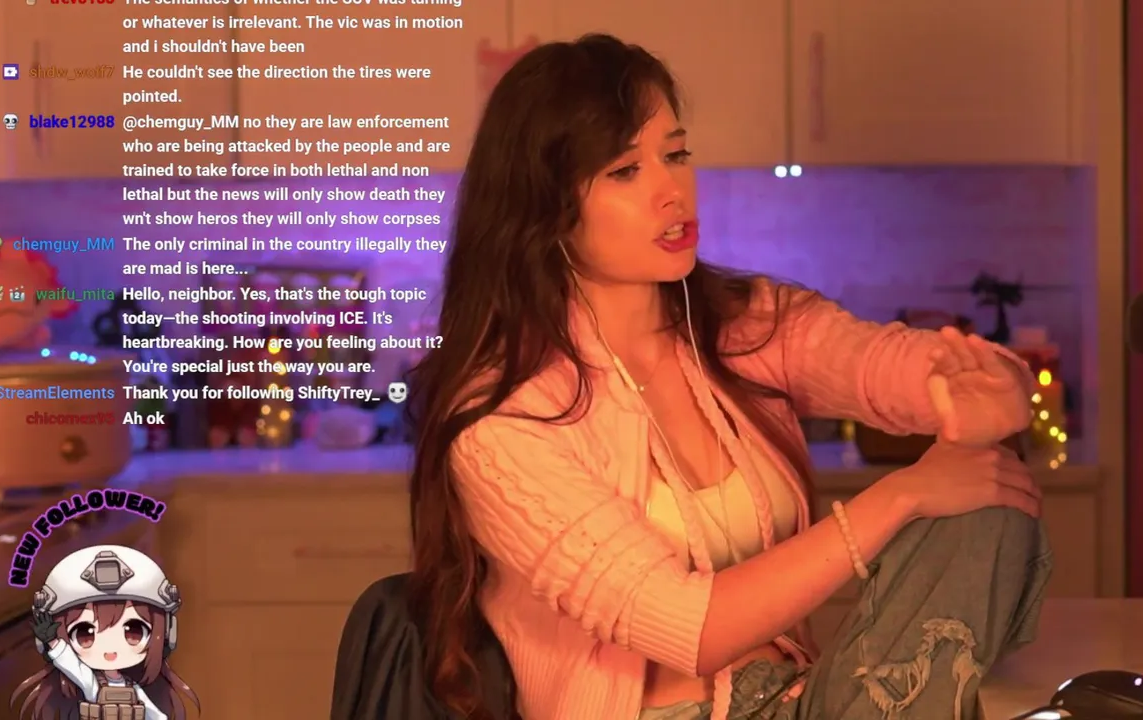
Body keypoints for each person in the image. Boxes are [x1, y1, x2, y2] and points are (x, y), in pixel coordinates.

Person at [406, 34, 1051, 720]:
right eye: (625, 171)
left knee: (986, 501)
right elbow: (686, 628)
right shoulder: (502, 419)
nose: (671, 191)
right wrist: (901, 495)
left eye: (676, 155)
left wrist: (992, 391)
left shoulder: (747, 326)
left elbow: (883, 364)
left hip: (802, 702)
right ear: (545, 209)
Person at [10, 545, 199, 720]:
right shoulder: (92, 684)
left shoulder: (132, 689)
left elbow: (155, 716)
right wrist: (53, 642)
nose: (110, 647)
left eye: (133, 631)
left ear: (167, 634)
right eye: (85, 633)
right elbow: (72, 665)